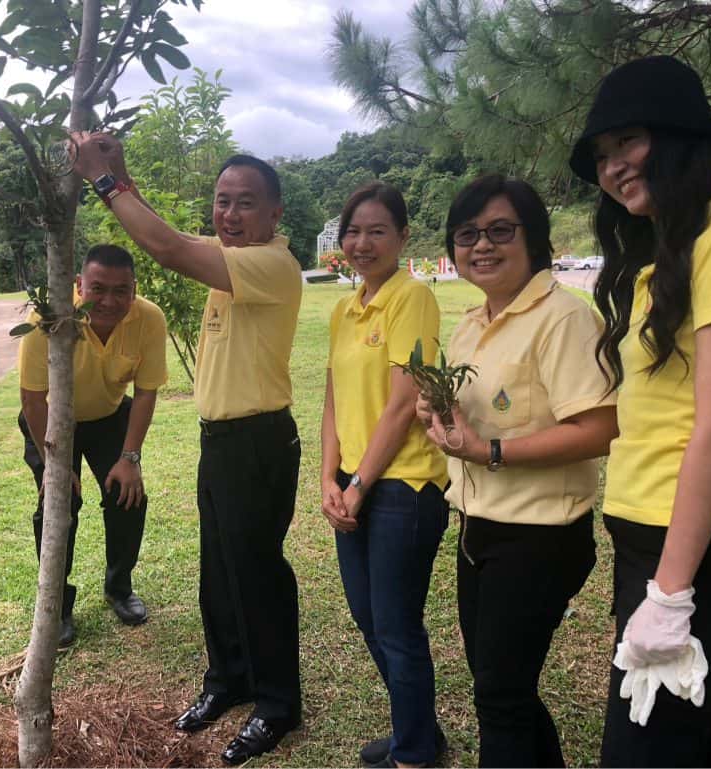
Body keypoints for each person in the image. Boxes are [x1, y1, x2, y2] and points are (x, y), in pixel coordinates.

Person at [568, 55, 711, 767]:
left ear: (680, 135)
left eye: (626, 141)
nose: (611, 166)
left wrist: (670, 590)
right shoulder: (665, 259)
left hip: (699, 552)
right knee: (681, 748)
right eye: (602, 155)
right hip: (654, 545)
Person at [70, 132, 303, 764]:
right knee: (218, 575)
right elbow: (171, 236)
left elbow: (165, 246)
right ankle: (228, 682)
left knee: (257, 577)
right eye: (222, 200)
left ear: (276, 213)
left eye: (246, 202)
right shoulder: (232, 260)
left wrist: (103, 180)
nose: (229, 214)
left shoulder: (270, 265)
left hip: (258, 442)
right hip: (220, 442)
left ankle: (278, 704)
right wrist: (121, 172)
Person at [419, 175, 619, 767]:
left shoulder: (564, 319)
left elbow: (599, 429)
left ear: (534, 238)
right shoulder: (471, 324)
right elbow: (464, 420)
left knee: (500, 695)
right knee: (501, 684)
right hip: (478, 527)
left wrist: (492, 453)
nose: (482, 245)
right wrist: (436, 410)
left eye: (500, 230)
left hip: (540, 537)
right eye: (467, 234)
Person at [320, 182, 449, 768]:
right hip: (354, 483)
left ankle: (416, 755)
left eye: (377, 231)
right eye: (353, 231)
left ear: (402, 237)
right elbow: (331, 398)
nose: (362, 242)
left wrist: (358, 485)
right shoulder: (343, 310)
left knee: (396, 627)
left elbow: (403, 404)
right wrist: (329, 478)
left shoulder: (411, 297)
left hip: (403, 488)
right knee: (370, 619)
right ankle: (415, 731)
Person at [17, 244, 167, 641]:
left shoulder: (148, 319)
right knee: (59, 503)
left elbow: (147, 391)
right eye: (98, 288)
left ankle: (119, 587)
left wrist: (130, 457)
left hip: (108, 416)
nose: (109, 301)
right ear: (79, 284)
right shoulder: (47, 320)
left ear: (135, 289)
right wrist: (55, 465)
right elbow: (32, 398)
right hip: (52, 420)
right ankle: (58, 606)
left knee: (128, 497)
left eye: (122, 290)